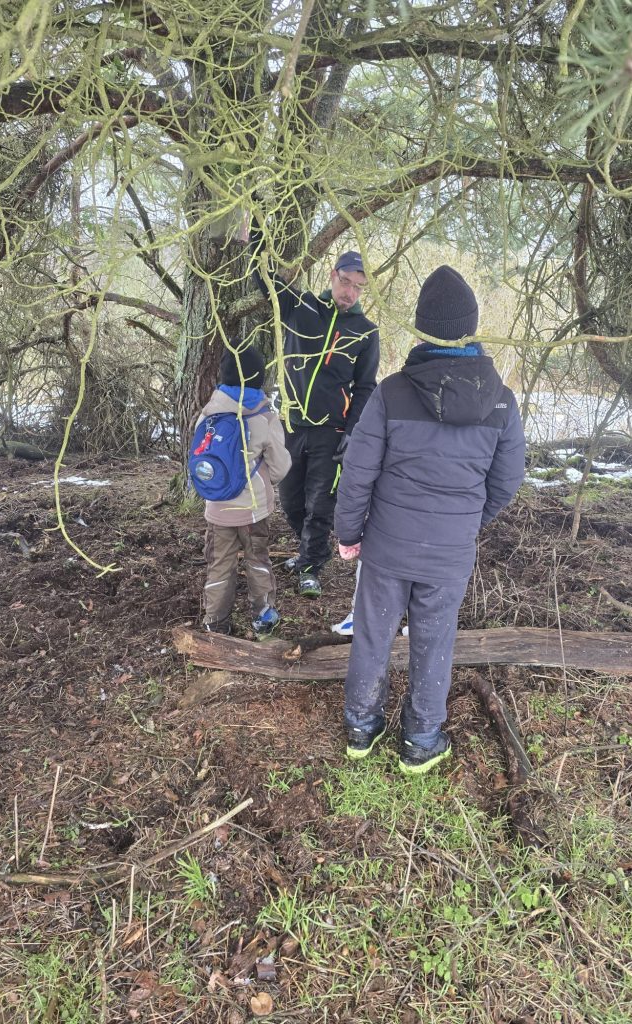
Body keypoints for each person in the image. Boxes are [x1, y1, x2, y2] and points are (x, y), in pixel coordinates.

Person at [334, 266, 526, 774]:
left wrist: (349, 533)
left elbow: (357, 473)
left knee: (374, 633)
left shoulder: (392, 393)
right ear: (472, 328)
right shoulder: (502, 402)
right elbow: (507, 483)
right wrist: (467, 522)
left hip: (386, 548)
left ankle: (361, 725)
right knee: (435, 638)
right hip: (450, 552)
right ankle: (420, 739)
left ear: (422, 330)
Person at [253, 242, 380, 598]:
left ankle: (311, 566)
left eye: (358, 286)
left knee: (319, 503)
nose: (350, 292)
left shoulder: (366, 332)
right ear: (332, 275)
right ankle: (311, 549)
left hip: (332, 429)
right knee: (291, 499)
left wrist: (353, 431)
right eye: (346, 282)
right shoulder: (302, 306)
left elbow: (366, 387)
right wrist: (255, 243)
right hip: (292, 424)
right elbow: (265, 281)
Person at [198, 345, 291, 635]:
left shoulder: (209, 413)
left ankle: (215, 623)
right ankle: (263, 618)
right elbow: (280, 468)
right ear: (259, 377)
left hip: (217, 508)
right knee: (257, 560)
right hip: (252, 511)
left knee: (219, 565)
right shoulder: (263, 416)